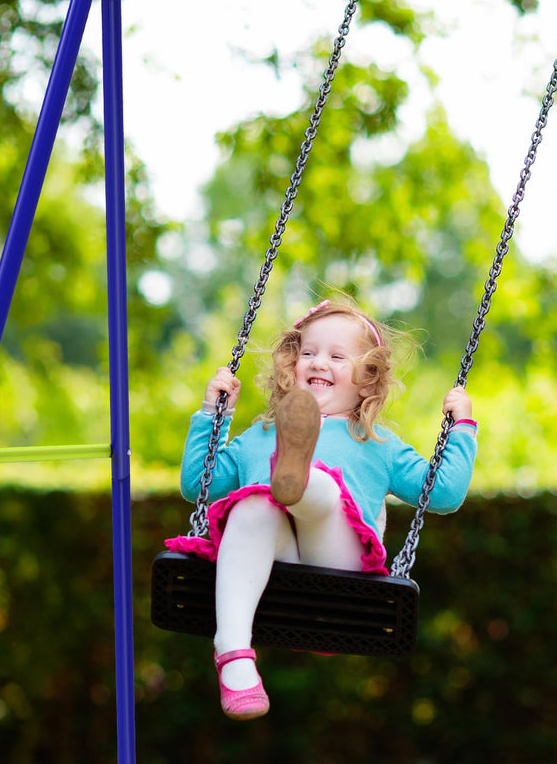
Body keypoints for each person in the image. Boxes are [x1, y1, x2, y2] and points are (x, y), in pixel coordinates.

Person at [166, 299, 477, 720]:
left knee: (324, 489)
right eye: (308, 353)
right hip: (274, 565)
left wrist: (460, 429)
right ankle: (234, 653)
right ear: (291, 365)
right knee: (253, 505)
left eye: (336, 356)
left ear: (367, 379)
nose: (318, 362)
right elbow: (197, 485)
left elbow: (441, 494)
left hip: (339, 566)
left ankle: (299, 477)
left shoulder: (376, 443)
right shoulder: (258, 436)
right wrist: (212, 415)